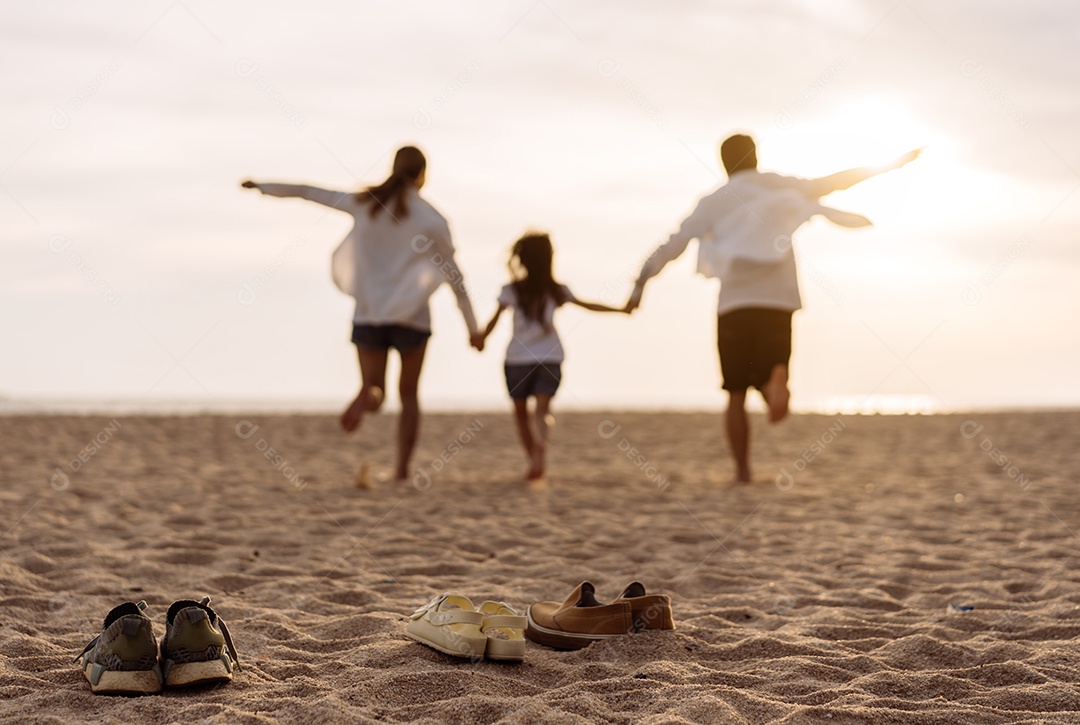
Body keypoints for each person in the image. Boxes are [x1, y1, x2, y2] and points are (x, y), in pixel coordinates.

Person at [626, 134, 920, 483]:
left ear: (724, 163)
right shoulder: (779, 184)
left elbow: (674, 242)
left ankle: (742, 470)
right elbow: (835, 182)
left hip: (735, 303)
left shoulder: (713, 201)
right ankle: (773, 383)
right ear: (755, 156)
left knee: (735, 393)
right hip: (779, 301)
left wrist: (641, 282)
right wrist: (890, 165)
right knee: (771, 370)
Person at [241, 145, 482, 481]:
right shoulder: (432, 220)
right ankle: (401, 470)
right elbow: (456, 278)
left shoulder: (365, 203)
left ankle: (368, 393)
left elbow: (308, 192)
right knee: (409, 395)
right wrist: (473, 328)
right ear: (423, 175)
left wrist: (262, 187)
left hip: (369, 314)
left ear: (393, 168)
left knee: (377, 390)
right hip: (412, 318)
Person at [478, 232, 629, 481]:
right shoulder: (556, 290)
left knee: (521, 414)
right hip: (549, 357)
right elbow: (588, 305)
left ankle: (533, 458)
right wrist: (621, 310)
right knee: (542, 411)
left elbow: (494, 320)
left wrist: (482, 338)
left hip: (517, 359)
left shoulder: (512, 290)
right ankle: (540, 449)